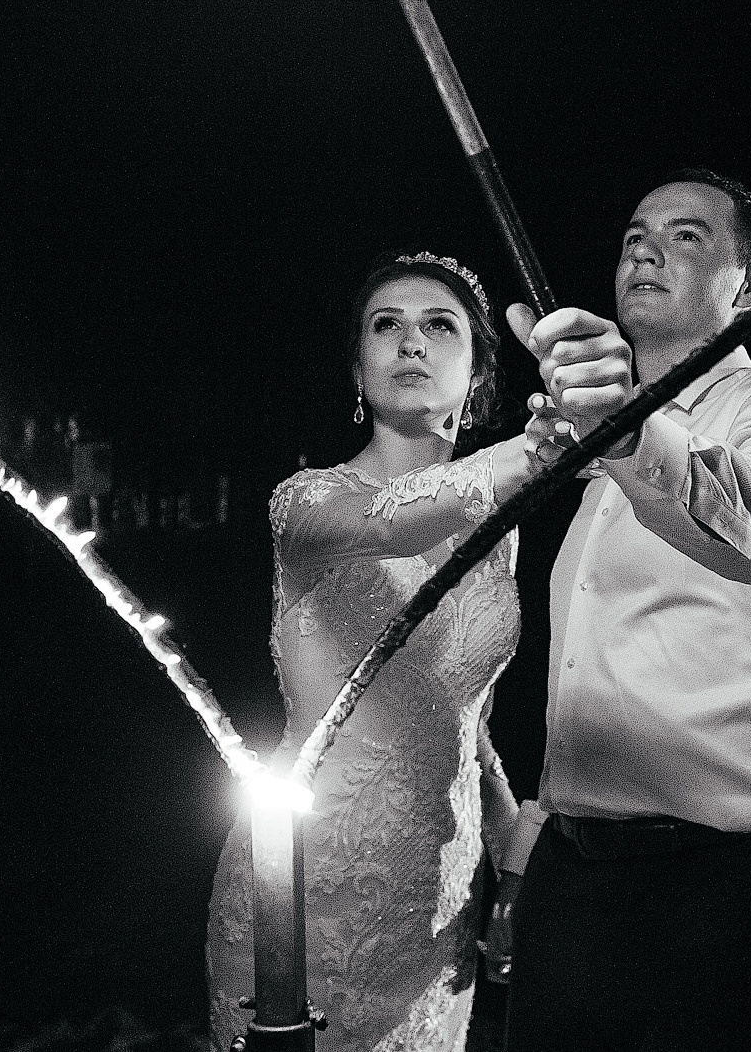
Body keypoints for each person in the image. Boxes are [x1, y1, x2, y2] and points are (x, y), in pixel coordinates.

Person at [497, 170, 751, 1051]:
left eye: (688, 235)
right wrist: (526, 860)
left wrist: (624, 427)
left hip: (729, 880)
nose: (646, 248)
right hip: (575, 873)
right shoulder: (596, 462)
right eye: (633, 234)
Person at [206, 250, 548, 1050]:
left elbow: (471, 724)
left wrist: (513, 857)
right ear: (358, 370)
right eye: (385, 326)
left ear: (479, 373)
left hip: (441, 904)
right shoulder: (308, 505)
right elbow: (394, 520)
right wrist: (540, 450)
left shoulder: (500, 525)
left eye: (440, 326)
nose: (411, 343)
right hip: (302, 896)